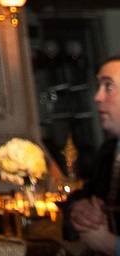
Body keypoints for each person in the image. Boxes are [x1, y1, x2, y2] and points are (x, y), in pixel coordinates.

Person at [67, 56, 120, 255]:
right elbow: (87, 194)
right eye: (99, 87)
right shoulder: (109, 149)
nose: (97, 97)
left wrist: (111, 245)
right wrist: (79, 209)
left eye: (108, 86)